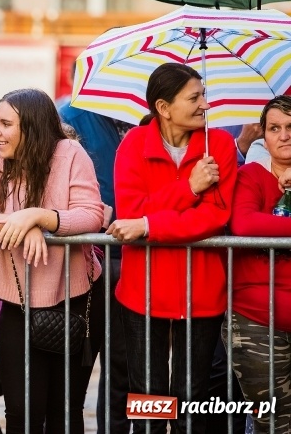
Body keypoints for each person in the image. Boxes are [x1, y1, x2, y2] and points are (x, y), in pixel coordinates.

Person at [0, 88, 105, 433]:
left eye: (5, 124)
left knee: (65, 412)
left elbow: (92, 215)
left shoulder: (69, 152)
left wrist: (38, 217)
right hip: (16, 302)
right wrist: (21, 223)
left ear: (32, 128)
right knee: (22, 413)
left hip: (76, 299)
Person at [106, 62, 236, 434]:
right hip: (143, 291)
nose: (205, 105)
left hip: (203, 291)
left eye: (203, 95)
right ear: (163, 107)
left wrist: (149, 225)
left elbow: (215, 217)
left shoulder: (220, 145)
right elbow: (130, 214)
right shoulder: (133, 144)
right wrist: (190, 189)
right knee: (149, 397)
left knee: (190, 398)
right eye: (194, 97)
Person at [58, 102, 133, 434]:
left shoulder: (149, 121)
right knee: (77, 365)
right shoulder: (70, 117)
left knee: (126, 366)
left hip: (135, 254)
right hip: (88, 257)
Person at [228, 95, 291, 433]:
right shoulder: (250, 175)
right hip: (256, 322)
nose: (284, 135)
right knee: (273, 423)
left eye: (290, 127)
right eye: (274, 128)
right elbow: (245, 225)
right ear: (263, 136)